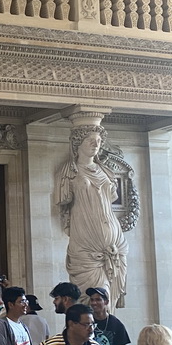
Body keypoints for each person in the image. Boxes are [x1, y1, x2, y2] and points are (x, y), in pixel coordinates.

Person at [57, 125, 128, 311]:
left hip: (113, 243)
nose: (96, 144)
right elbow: (64, 200)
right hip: (85, 245)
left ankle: (106, 336)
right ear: (78, 144)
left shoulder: (104, 170)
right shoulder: (70, 171)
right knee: (89, 299)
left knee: (106, 301)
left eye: (98, 141)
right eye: (90, 140)